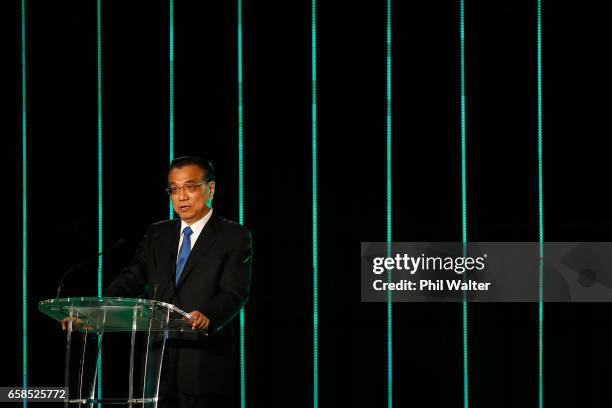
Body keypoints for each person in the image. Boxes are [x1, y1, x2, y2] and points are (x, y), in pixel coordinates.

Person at [103, 156, 252, 408]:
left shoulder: (234, 236)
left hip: (202, 366)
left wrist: (208, 316)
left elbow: (235, 291)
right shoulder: (157, 233)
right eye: (174, 188)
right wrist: (99, 308)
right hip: (155, 364)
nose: (181, 196)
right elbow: (133, 276)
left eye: (190, 187)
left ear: (211, 188)